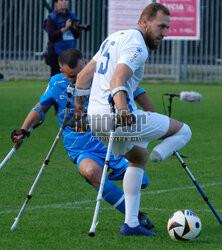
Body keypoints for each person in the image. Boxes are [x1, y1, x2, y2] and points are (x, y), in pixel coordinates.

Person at [73, 3, 192, 236]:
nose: (165, 33)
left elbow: (83, 76)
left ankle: (131, 225)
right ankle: (160, 155)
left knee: (137, 157)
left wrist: (79, 112)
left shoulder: (114, 38)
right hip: (117, 118)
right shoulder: (138, 45)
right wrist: (122, 110)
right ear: (145, 21)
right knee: (184, 131)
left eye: (167, 27)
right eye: (161, 26)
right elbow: (118, 78)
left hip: (96, 122)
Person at [11, 48, 155, 230]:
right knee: (90, 171)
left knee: (142, 181)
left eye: (80, 73)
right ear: (61, 71)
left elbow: (135, 89)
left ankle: (115, 179)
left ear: (86, 63)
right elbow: (40, 108)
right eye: (72, 76)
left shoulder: (103, 76)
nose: (79, 79)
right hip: (80, 147)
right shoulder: (56, 83)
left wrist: (153, 116)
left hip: (108, 138)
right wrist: (23, 130)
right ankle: (135, 217)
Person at [45, 0, 80, 77]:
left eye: (66, 0)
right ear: (56, 3)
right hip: (57, 52)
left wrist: (73, 28)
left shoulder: (72, 15)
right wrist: (65, 28)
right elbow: (51, 36)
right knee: (57, 77)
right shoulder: (52, 17)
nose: (64, 2)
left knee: (72, 77)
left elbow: (77, 35)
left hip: (71, 52)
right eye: (61, 0)